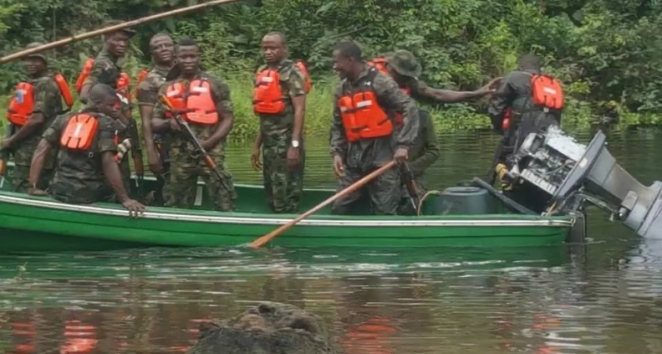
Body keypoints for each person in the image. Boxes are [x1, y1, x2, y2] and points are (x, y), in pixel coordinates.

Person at [369, 50, 500, 214]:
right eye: (404, 75)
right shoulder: (370, 81)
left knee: (406, 201)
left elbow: (436, 94)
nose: (408, 79)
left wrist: (476, 93)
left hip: (395, 155)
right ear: (391, 69)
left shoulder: (408, 85)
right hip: (368, 148)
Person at [329, 41, 419, 215]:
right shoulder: (341, 88)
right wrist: (337, 153)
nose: (335, 67)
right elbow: (337, 125)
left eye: (337, 62)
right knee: (340, 207)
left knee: (384, 211)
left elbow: (410, 108)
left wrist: (403, 145)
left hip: (383, 160)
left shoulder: (380, 82)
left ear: (350, 60)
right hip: (354, 162)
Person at [27, 84, 145, 217]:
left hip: (59, 190)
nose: (114, 110)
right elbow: (108, 161)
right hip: (90, 194)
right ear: (98, 104)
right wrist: (125, 199)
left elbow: (41, 150)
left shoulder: (63, 119)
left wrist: (33, 185)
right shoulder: (105, 123)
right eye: (110, 105)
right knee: (115, 184)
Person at [151, 38, 237, 211]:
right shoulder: (166, 88)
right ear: (176, 58)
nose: (188, 61)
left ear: (199, 57)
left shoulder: (215, 84)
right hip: (179, 156)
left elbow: (227, 118)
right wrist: (169, 123)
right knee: (177, 202)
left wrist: (210, 142)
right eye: (183, 57)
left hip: (211, 153)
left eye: (192, 56)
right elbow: (154, 122)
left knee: (224, 197)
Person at [487, 53, 564, 213]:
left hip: (522, 135)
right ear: (538, 69)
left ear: (521, 67)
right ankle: (545, 207)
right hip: (550, 139)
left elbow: (496, 106)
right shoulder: (550, 85)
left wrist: (501, 129)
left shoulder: (514, 77)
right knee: (543, 173)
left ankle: (513, 207)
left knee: (508, 168)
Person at [250, 31, 310, 213]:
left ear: (284, 49)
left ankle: (288, 224)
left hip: (286, 142)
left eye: (273, 48)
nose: (268, 52)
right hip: (269, 143)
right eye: (265, 48)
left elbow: (300, 109)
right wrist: (256, 146)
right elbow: (264, 114)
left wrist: (294, 145)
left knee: (288, 190)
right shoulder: (262, 72)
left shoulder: (293, 72)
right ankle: (275, 217)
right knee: (271, 187)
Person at [2, 42, 74, 193]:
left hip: (35, 151)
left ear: (45, 62)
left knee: (25, 189)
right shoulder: (31, 83)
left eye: (36, 60)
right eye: (27, 59)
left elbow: (37, 119)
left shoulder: (45, 84)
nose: (30, 64)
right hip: (25, 148)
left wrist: (11, 140)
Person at [136, 33, 176, 206]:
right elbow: (146, 121)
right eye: (158, 47)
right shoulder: (148, 82)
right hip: (163, 142)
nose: (164, 49)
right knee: (168, 182)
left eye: (167, 45)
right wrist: (151, 153)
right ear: (152, 53)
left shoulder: (185, 73)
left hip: (186, 140)